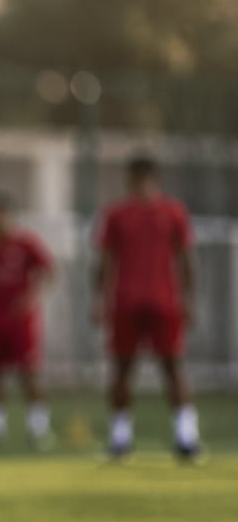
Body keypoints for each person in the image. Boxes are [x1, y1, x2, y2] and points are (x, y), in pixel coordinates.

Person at [91, 154, 200, 460]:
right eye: (135, 180)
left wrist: (189, 300)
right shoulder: (116, 215)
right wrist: (98, 299)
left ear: (155, 180)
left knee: (172, 366)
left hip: (164, 302)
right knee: (122, 368)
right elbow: (104, 260)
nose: (139, 185)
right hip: (126, 302)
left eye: (144, 179)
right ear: (128, 181)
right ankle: (120, 438)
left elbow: (186, 259)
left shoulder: (173, 212)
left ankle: (186, 436)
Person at [0, 193, 54, 449]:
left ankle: (38, 429)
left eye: (1, 216)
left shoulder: (26, 244)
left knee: (28, 374)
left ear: (11, 217)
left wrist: (31, 298)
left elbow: (48, 272)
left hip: (21, 322)